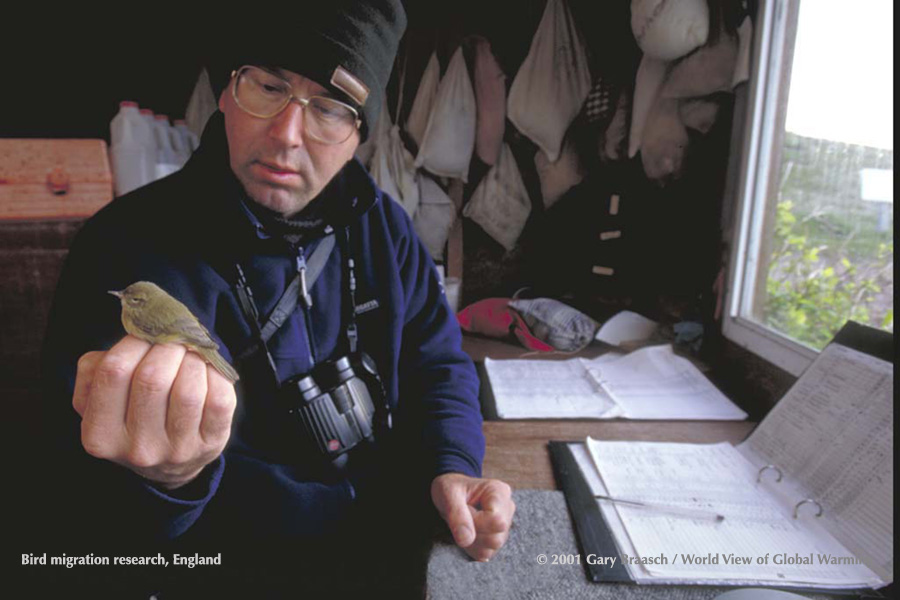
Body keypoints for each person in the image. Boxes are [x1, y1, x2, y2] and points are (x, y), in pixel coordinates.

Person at [33, 2, 514, 596]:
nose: (287, 135)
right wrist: (166, 483)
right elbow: (78, 517)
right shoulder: (125, 251)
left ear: (359, 134)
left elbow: (438, 363)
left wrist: (453, 465)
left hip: (391, 555)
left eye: (332, 110)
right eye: (268, 86)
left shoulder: (385, 230)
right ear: (227, 93)